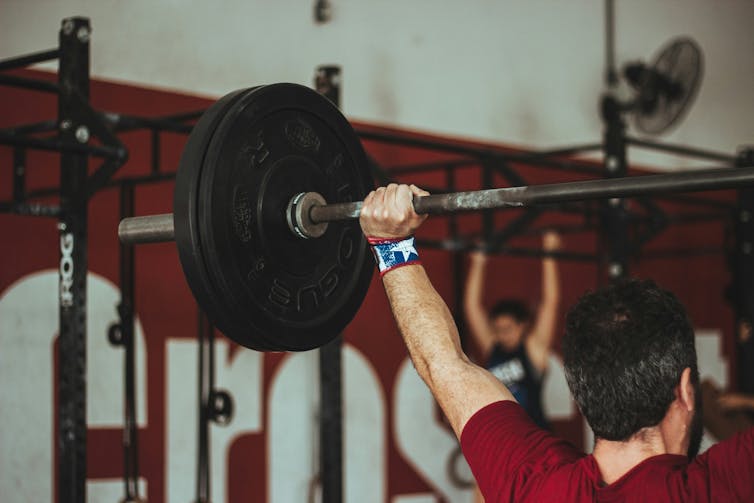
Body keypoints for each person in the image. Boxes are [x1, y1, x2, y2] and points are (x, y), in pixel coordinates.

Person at [359, 183, 754, 502]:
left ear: (583, 396)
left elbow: (443, 364)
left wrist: (390, 241)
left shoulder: (532, 485)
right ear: (685, 391)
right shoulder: (723, 485)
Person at [463, 232, 561, 430]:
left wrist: (549, 255)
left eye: (507, 328)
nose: (501, 334)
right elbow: (472, 307)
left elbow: (550, 303)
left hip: (536, 437)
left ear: (522, 326)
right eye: (497, 329)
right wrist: (478, 263)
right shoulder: (493, 346)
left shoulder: (533, 349)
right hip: (506, 437)